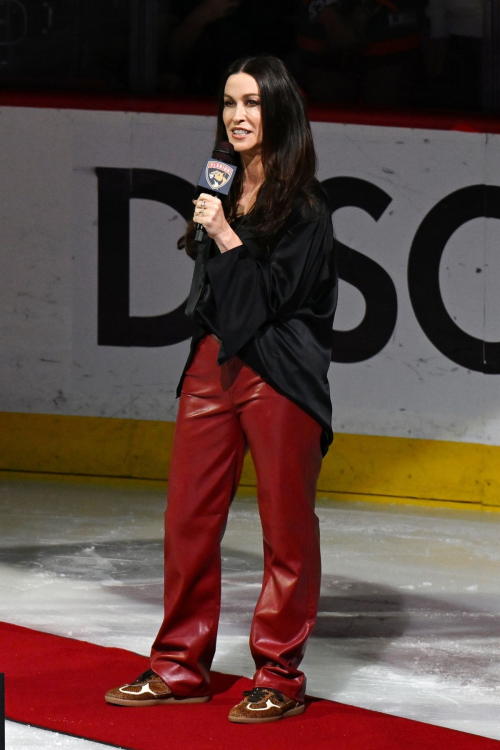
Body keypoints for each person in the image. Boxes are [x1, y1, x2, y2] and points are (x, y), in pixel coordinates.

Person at [104, 55, 337, 724]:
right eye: (230, 102)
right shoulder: (222, 186)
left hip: (279, 373)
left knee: (286, 531)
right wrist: (215, 224)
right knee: (187, 520)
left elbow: (266, 304)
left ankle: (279, 675)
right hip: (213, 365)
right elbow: (216, 298)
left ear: (280, 113)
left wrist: (226, 233)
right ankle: (178, 667)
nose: (238, 115)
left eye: (253, 103)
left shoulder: (308, 209)